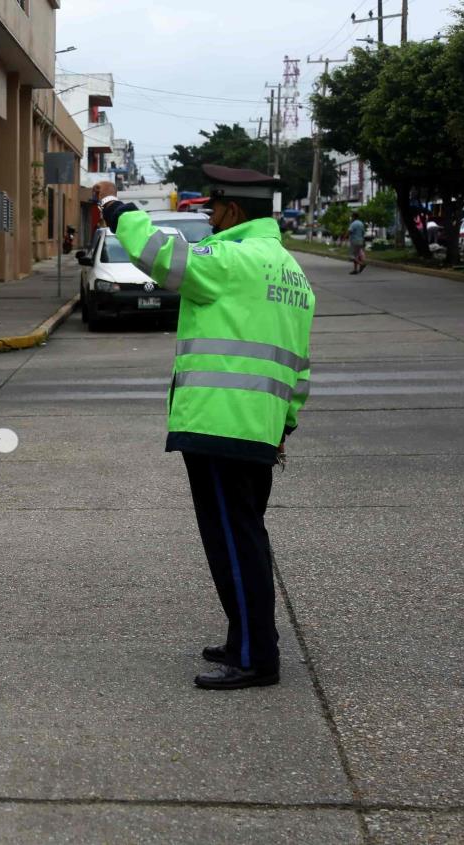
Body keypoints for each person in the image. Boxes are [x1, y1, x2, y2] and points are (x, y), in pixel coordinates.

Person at [96, 164, 315, 691]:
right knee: (245, 537)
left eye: (214, 209)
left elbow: (161, 258)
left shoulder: (231, 260)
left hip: (220, 426)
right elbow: (299, 367)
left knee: (233, 543)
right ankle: (248, 636)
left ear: (234, 210)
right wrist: (283, 424)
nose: (211, 219)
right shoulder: (290, 271)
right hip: (257, 428)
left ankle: (254, 657)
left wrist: (116, 210)